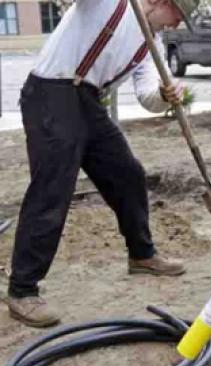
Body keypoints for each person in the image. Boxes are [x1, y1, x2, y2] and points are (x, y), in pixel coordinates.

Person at [4, 0, 196, 327]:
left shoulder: (151, 43)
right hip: (51, 93)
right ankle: (22, 290)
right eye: (178, 16)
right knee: (53, 188)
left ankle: (142, 254)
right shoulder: (110, 3)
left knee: (128, 174)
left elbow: (148, 93)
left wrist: (164, 94)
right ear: (162, 2)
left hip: (88, 102)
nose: (176, 25)